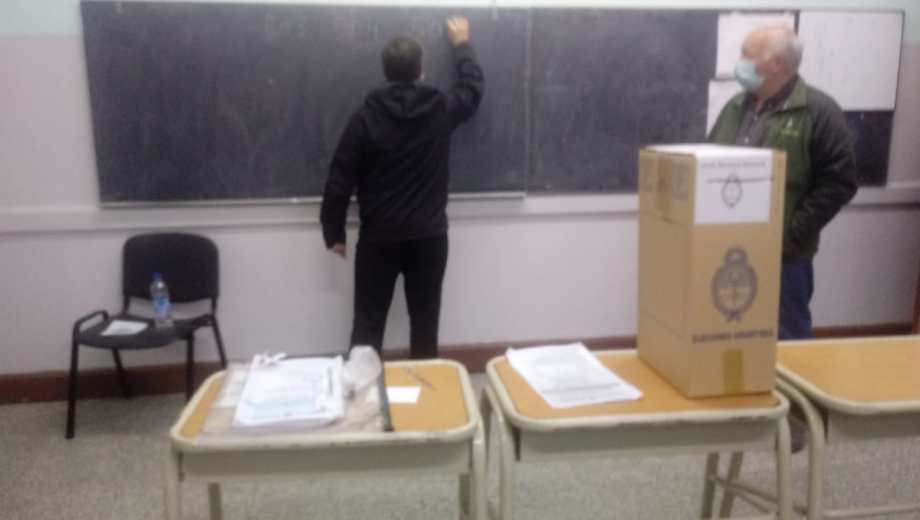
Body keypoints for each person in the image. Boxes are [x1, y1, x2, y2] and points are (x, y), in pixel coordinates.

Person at [320, 17, 484, 359]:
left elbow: (340, 178)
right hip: (429, 239)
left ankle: (363, 391)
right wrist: (462, 45)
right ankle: (426, 392)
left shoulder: (365, 117)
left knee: (367, 326)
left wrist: (334, 231)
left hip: (378, 240)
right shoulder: (440, 110)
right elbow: (472, 90)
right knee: (425, 325)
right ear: (421, 70)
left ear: (385, 72)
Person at [709, 25, 858, 341]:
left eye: (748, 55)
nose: (740, 62)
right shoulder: (735, 107)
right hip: (726, 249)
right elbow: (707, 165)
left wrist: (791, 235)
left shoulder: (818, 111)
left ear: (777, 64)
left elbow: (840, 182)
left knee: (788, 341)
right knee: (728, 335)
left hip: (785, 258)